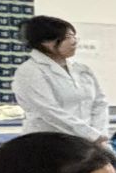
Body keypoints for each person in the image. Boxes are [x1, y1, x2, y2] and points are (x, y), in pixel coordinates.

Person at [10, 15, 108, 143]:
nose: (74, 41)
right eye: (68, 37)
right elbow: (49, 111)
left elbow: (100, 103)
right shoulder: (29, 71)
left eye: (74, 36)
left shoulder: (82, 69)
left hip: (87, 142)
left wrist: (100, 133)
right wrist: (92, 135)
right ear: (46, 42)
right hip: (48, 141)